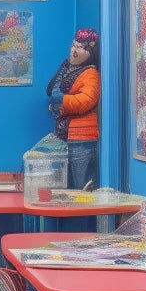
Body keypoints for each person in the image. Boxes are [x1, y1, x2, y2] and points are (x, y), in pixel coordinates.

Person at [46, 27, 100, 190]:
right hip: (66, 136)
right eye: (73, 45)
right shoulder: (67, 68)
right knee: (66, 187)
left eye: (80, 47)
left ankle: (82, 216)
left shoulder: (90, 73)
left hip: (82, 138)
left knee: (81, 187)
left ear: (91, 51)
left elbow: (87, 100)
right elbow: (52, 90)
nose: (74, 51)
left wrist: (62, 102)